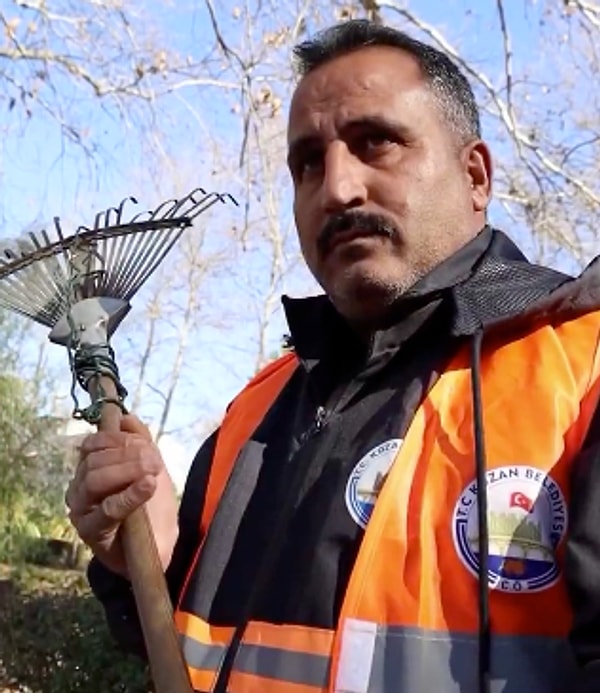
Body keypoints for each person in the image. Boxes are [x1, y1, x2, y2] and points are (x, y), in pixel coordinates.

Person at [66, 18, 600, 693]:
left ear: (475, 176)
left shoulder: (584, 367)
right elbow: (184, 651)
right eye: (308, 163)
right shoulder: (254, 411)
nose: (338, 189)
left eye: (376, 143)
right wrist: (144, 561)